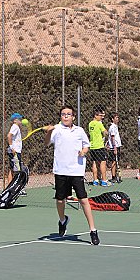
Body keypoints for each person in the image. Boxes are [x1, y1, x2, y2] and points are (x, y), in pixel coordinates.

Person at [45, 105, 99, 245]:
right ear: (61, 117)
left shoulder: (79, 130)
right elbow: (46, 143)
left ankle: (93, 230)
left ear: (73, 117)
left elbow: (87, 145)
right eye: (63, 114)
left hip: (76, 171)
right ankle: (63, 221)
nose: (66, 116)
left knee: (83, 200)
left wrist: (83, 151)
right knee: (60, 200)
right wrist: (48, 132)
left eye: (69, 114)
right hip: (60, 171)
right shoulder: (56, 130)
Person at [88, 110, 111, 186]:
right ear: (95, 115)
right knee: (103, 162)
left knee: (94, 162)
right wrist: (105, 133)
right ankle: (104, 181)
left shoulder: (90, 124)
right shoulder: (99, 124)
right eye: (100, 116)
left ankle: (95, 180)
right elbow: (105, 133)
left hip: (92, 146)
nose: (102, 117)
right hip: (99, 146)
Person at [7, 112, 27, 195]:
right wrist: (12, 147)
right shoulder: (15, 127)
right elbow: (9, 136)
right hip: (14, 151)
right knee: (18, 170)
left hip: (14, 151)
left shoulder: (16, 127)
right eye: (20, 119)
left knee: (12, 169)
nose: (21, 120)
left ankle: (10, 188)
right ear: (15, 120)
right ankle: (17, 189)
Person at [106, 112, 122, 183]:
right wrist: (114, 147)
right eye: (116, 117)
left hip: (117, 146)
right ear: (112, 119)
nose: (117, 119)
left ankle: (116, 175)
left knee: (116, 161)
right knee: (114, 161)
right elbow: (112, 137)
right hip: (114, 147)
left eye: (118, 117)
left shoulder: (115, 126)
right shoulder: (112, 127)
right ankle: (113, 177)